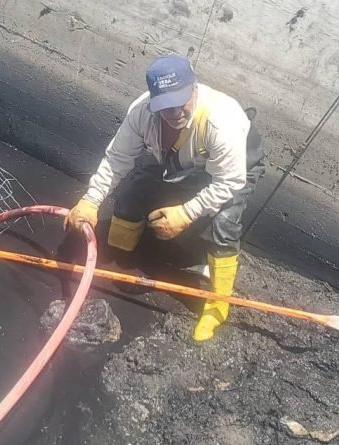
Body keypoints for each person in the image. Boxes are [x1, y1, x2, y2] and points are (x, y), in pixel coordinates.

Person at [63, 54, 265, 341]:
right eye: (165, 106)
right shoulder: (142, 113)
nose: (175, 112)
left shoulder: (222, 122)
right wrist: (91, 199)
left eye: (181, 102)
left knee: (223, 226)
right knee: (132, 195)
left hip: (233, 166)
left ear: (194, 87)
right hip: (178, 158)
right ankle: (121, 257)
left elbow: (229, 180)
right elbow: (117, 158)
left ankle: (219, 304)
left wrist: (187, 213)